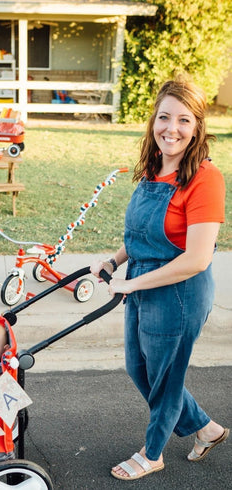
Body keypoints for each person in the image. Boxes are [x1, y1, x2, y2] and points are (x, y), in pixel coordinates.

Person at [91, 76, 228, 481]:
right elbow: (140, 236)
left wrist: (130, 284)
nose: (172, 128)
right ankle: (207, 428)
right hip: (141, 284)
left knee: (166, 378)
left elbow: (198, 258)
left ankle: (153, 453)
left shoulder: (205, 178)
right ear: (154, 121)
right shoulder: (154, 168)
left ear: (198, 127)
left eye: (184, 120)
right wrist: (114, 262)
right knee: (140, 370)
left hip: (179, 293)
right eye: (165, 117)